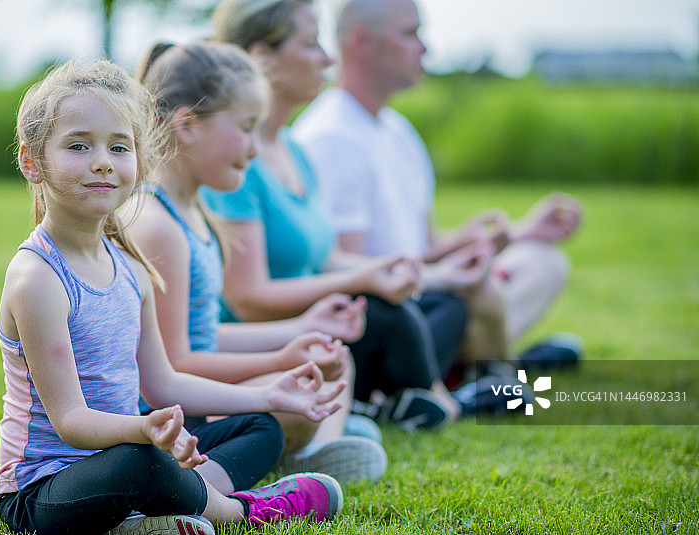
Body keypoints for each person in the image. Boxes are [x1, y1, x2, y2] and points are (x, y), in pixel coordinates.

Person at [0, 59, 346, 535]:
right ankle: (238, 511)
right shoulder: (37, 278)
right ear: (32, 161)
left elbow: (163, 383)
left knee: (260, 425)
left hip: (129, 456)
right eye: (79, 145)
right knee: (141, 463)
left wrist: (268, 393)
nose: (102, 160)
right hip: (44, 493)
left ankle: (158, 513)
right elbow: (71, 421)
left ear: (139, 161)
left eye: (119, 147)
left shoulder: (131, 269)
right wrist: (143, 431)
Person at [126, 40, 387, 484]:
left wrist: (300, 329)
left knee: (328, 358)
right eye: (246, 128)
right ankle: (307, 447)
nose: (254, 148)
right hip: (166, 414)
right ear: (187, 125)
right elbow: (174, 366)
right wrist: (278, 361)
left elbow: (201, 336)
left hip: (189, 398)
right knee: (297, 393)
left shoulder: (197, 213)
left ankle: (316, 444)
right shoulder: (158, 226)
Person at [203, 0, 471, 430]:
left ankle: (413, 398)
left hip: (315, 325)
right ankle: (436, 400)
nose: (328, 58)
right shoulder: (235, 161)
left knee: (443, 305)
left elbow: (329, 258)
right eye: (311, 45)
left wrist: (401, 270)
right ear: (262, 58)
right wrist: (362, 280)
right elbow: (248, 299)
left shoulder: (293, 150)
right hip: (262, 344)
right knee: (391, 316)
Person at [292, 0, 584, 380]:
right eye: (410, 33)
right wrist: (447, 275)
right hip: (391, 312)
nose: (424, 47)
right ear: (364, 42)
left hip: (426, 286)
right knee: (483, 294)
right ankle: (496, 369)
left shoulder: (397, 130)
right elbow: (352, 276)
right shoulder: (331, 138)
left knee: (542, 261)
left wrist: (516, 234)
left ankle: (482, 362)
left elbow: (422, 246)